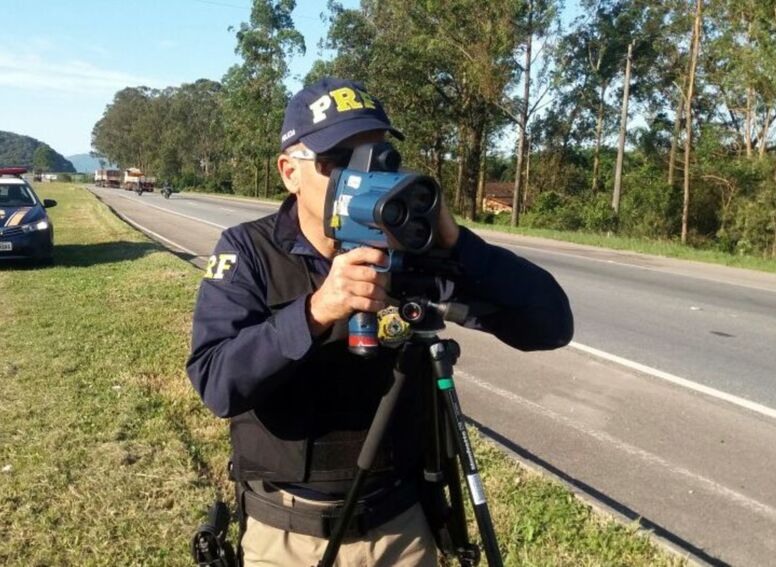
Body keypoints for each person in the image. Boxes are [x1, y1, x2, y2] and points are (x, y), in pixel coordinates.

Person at [186, 77, 573, 566]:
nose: (363, 177)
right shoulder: (249, 252)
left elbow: (550, 325)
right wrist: (316, 311)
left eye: (379, 159)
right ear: (290, 171)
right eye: (340, 161)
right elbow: (217, 383)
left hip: (401, 529)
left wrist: (457, 242)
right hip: (290, 533)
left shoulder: (410, 251)